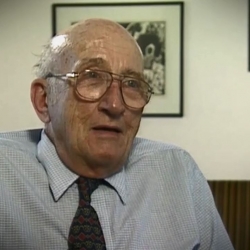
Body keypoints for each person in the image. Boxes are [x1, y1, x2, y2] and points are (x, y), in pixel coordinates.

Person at [0, 18, 234, 250]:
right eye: (91, 76)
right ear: (44, 100)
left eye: (132, 84)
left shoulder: (178, 171)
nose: (114, 105)